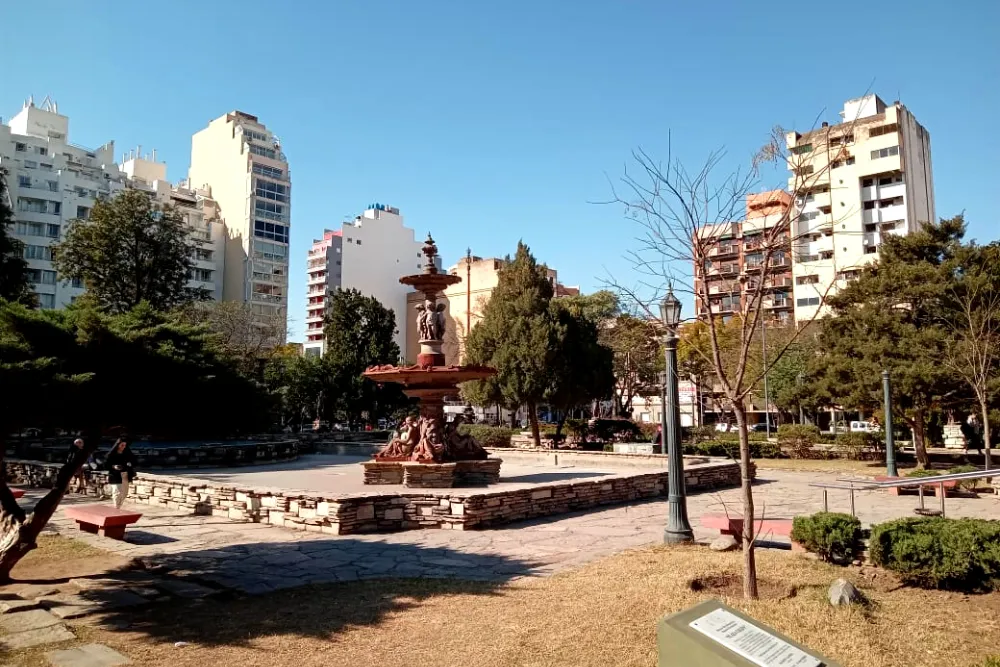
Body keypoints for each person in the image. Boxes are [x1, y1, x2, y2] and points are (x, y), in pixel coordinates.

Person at [105, 438, 137, 509]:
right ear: (118, 445)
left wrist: (130, 464)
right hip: (115, 475)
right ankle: (116, 508)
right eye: (122, 445)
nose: (124, 447)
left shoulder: (127, 454)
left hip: (125, 475)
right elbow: (106, 465)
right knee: (117, 492)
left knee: (124, 493)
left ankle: (119, 506)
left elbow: (134, 462)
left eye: (125, 445)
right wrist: (114, 466)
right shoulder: (111, 455)